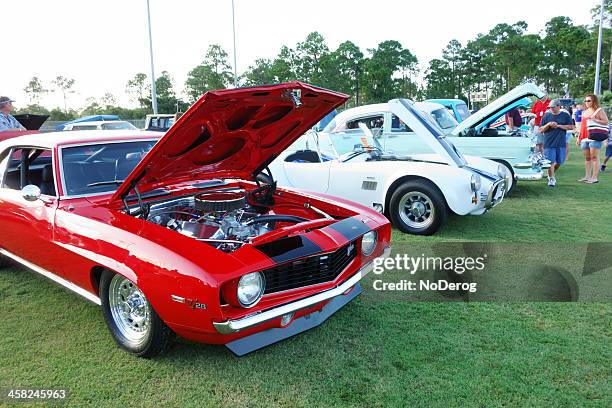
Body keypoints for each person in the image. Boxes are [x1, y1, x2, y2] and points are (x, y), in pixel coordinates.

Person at [539, 99, 574, 187]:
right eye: (550, 107)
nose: (551, 109)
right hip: (549, 142)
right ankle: (551, 179)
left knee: (559, 162)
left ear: (559, 107)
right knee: (550, 161)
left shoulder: (565, 115)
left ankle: (550, 173)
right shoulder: (546, 116)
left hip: (561, 142)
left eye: (553, 107)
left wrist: (558, 126)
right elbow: (540, 130)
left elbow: (571, 127)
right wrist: (548, 125)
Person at [577, 94, 609, 183]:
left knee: (594, 158)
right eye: (585, 101)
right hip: (584, 138)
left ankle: (594, 178)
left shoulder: (599, 110)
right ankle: (587, 176)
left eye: (589, 101)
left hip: (595, 137)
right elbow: (582, 126)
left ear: (594, 101)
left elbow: (606, 122)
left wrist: (595, 120)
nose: (586, 102)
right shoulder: (584, 112)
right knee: (587, 158)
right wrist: (579, 137)